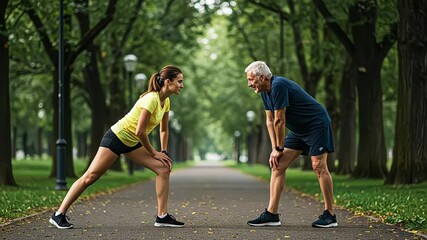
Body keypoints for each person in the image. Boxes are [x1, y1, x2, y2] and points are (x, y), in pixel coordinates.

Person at [49, 65, 185, 229]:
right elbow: (140, 131)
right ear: (168, 82)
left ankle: (162, 216)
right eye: (180, 81)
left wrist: (163, 152)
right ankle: (58, 214)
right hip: (116, 138)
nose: (182, 85)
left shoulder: (166, 101)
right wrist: (154, 152)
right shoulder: (151, 99)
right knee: (91, 176)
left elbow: (164, 129)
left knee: (163, 168)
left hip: (132, 143)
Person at [244, 61, 338, 228]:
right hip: (299, 130)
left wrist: (280, 148)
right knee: (277, 165)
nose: (249, 84)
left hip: (316, 124)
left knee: (318, 166)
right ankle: (271, 214)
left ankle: (330, 215)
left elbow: (280, 120)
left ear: (263, 77)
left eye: (251, 80)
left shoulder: (278, 86)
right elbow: (270, 120)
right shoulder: (265, 91)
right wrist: (275, 149)